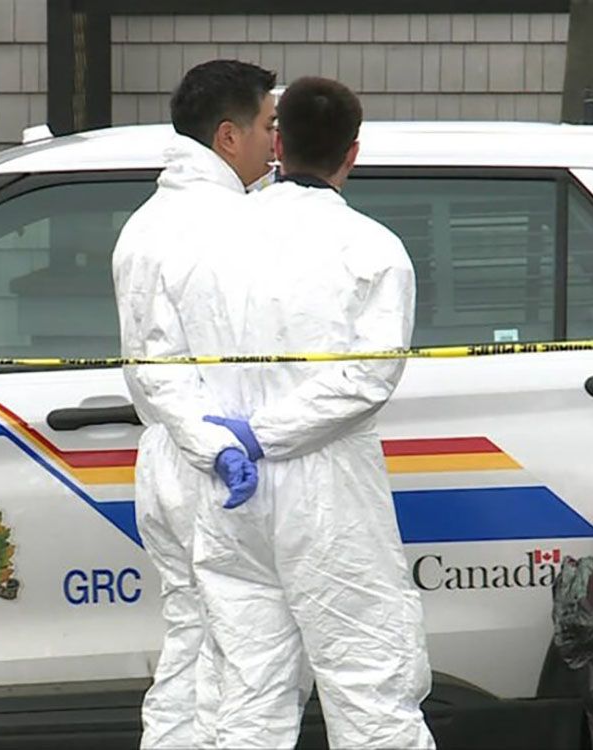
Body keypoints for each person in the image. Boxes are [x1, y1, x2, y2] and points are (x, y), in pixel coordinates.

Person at [169, 76, 435, 749]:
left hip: (229, 490)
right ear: (353, 153)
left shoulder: (205, 243)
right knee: (370, 681)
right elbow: (364, 383)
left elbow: (168, 363)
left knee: (247, 690)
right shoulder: (372, 249)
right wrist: (263, 437)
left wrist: (222, 444)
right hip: (325, 490)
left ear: (278, 143)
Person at [111, 59, 276, 749]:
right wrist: (222, 446)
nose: (278, 140)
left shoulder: (148, 221)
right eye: (269, 125)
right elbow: (191, 364)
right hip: (217, 460)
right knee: (247, 656)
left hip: (168, 460)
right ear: (229, 136)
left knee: (190, 637)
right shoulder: (225, 226)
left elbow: (151, 361)